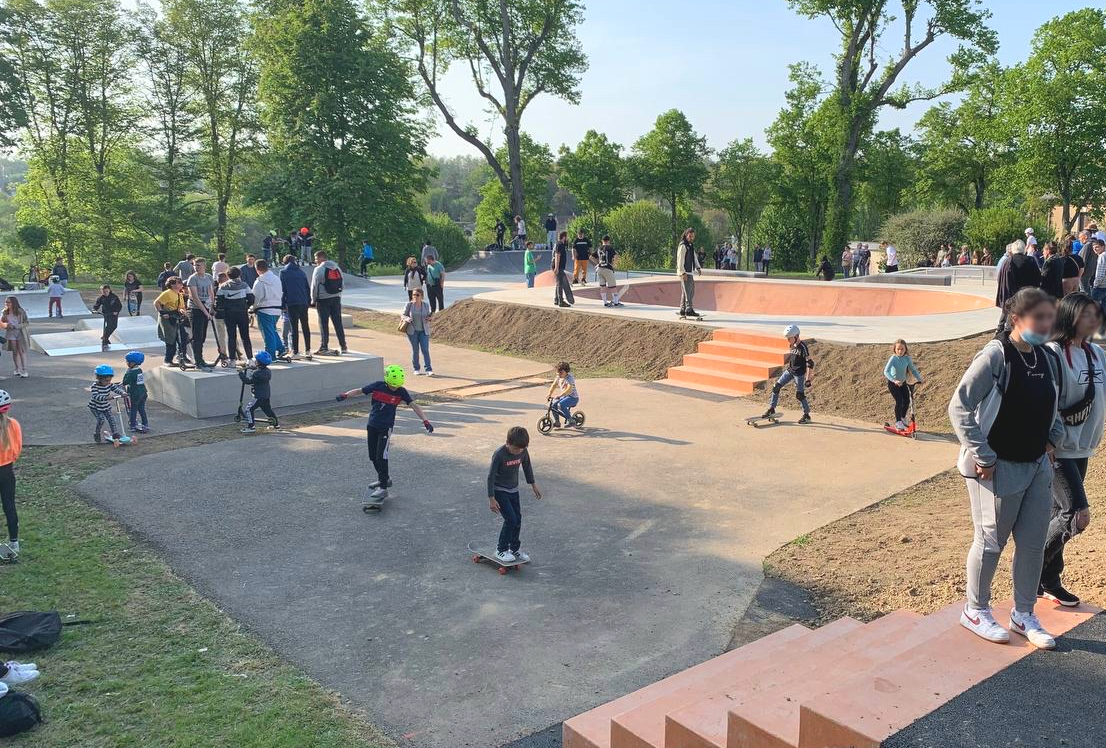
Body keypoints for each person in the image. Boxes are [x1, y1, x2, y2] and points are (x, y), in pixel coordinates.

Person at [949, 287, 1063, 650]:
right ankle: (975, 609)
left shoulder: (1046, 357)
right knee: (990, 541)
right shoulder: (997, 355)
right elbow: (959, 406)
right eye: (1039, 318)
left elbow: (1054, 406)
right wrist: (983, 454)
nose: (1046, 325)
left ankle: (1023, 612)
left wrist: (1052, 440)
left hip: (1036, 466)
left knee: (1031, 544)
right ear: (1017, 319)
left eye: (1050, 318)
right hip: (997, 469)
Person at [1038, 293, 1103, 607]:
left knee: (1057, 513)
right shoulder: (1053, 353)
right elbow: (1043, 399)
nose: (1094, 320)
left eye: (1096, 314)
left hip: (1083, 448)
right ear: (1071, 316)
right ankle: (1030, 570)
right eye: (1087, 314)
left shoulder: (1096, 354)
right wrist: (1047, 439)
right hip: (1059, 450)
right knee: (1076, 515)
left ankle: (1049, 580)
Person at [335, 365, 434, 501]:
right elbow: (359, 391)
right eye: (393, 386)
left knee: (381, 456)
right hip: (372, 425)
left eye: (396, 386)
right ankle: (385, 479)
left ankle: (383, 487)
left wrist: (425, 420)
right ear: (387, 380)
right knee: (372, 456)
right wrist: (345, 395)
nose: (395, 389)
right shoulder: (378, 386)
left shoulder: (401, 391)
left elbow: (414, 405)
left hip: (386, 428)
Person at [486, 426, 543, 564]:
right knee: (511, 519)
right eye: (516, 449)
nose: (518, 452)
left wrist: (533, 484)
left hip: (514, 490)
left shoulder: (522, 450)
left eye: (521, 449)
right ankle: (501, 549)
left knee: (517, 519)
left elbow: (527, 466)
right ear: (507, 442)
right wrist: (491, 498)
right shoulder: (499, 454)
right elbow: (490, 476)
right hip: (500, 491)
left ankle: (514, 549)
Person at [762, 324, 815, 424]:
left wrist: (808, 379)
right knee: (776, 387)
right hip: (790, 370)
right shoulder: (791, 344)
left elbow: (810, 363)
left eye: (789, 338)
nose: (788, 340)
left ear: (796, 336)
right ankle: (772, 409)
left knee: (799, 395)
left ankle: (807, 415)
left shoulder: (803, 347)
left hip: (799, 374)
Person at [994, 239, 1041, 337]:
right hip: (1027, 294)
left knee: (1008, 312)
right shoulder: (1031, 260)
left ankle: (1002, 329)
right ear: (1024, 249)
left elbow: (1002, 278)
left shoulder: (1008, 261)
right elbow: (1037, 278)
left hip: (1011, 293)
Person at [311, 250, 348, 355]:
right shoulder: (337, 268)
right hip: (336, 298)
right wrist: (338, 295)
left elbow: (314, 286)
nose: (315, 260)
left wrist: (313, 300)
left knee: (323, 323)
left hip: (323, 300)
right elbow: (342, 283)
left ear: (321, 258)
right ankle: (343, 346)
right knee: (338, 323)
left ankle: (324, 346)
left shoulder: (318, 269)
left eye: (316, 258)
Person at [216, 266, 254, 363]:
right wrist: (245, 306)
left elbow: (218, 302)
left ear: (228, 276)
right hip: (242, 313)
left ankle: (232, 360)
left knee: (231, 336)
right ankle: (250, 358)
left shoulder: (223, 286)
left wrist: (225, 307)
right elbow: (251, 299)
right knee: (245, 336)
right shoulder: (244, 285)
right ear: (239, 274)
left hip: (229, 314)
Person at [251, 259, 287, 360]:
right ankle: (280, 348)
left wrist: (253, 308)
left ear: (257, 269)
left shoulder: (260, 281)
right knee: (272, 330)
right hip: (277, 309)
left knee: (268, 333)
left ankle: (270, 355)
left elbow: (256, 297)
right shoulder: (276, 278)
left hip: (265, 309)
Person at [884, 339, 923, 432]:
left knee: (907, 400)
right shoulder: (893, 358)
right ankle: (898, 422)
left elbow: (913, 370)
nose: (900, 351)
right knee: (899, 401)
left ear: (905, 349)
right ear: (895, 349)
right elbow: (886, 371)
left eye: (902, 349)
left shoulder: (907, 358)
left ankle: (902, 418)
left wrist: (919, 378)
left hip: (903, 383)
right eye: (898, 349)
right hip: (893, 384)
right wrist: (894, 380)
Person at [0, 391, 21, 560]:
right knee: (9, 506)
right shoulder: (13, 424)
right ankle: (14, 542)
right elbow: (17, 448)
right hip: (7, 469)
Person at [279, 253, 312, 360]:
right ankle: (308, 350)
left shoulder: (283, 272)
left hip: (292, 302)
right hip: (303, 302)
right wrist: (308, 301)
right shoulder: (301, 272)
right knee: (305, 326)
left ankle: (296, 351)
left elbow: (283, 290)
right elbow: (307, 288)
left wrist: (282, 304)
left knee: (294, 327)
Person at [238, 352, 279, 434]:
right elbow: (259, 371)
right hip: (266, 395)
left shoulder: (257, 373)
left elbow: (248, 381)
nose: (255, 361)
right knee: (267, 410)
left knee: (249, 409)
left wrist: (240, 373)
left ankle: (251, 426)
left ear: (259, 362)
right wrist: (253, 368)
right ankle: (276, 424)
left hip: (258, 396)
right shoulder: (267, 371)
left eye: (256, 360)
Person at [185, 257, 216, 368]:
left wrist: (212, 307)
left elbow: (211, 292)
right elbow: (195, 297)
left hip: (206, 306)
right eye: (194, 265)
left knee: (202, 336)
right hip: (195, 309)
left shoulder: (208, 277)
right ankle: (198, 360)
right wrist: (206, 313)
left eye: (198, 265)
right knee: (197, 336)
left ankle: (200, 358)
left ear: (204, 266)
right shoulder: (192, 279)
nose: (196, 267)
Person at [154, 277, 190, 366]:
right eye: (179, 283)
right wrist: (162, 313)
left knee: (183, 337)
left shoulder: (179, 294)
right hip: (168, 318)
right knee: (171, 340)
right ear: (173, 284)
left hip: (176, 317)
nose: (181, 284)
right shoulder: (168, 293)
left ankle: (182, 357)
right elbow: (156, 302)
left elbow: (181, 307)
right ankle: (168, 360)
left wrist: (182, 311)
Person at [89, 364, 128, 444]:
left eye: (109, 380)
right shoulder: (95, 386)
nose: (108, 382)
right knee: (101, 420)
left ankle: (115, 434)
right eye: (106, 381)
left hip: (105, 406)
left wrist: (123, 392)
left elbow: (115, 389)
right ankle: (97, 433)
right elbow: (96, 396)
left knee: (111, 419)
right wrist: (106, 398)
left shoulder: (109, 384)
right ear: (99, 379)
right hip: (95, 407)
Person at [402, 288, 433, 376]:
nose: (415, 296)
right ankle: (416, 368)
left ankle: (429, 369)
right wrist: (407, 318)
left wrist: (429, 318)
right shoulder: (409, 305)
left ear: (422, 296)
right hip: (412, 331)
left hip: (424, 331)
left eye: (417, 295)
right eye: (414, 295)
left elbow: (428, 315)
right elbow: (403, 315)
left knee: (425, 350)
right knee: (415, 350)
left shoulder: (426, 305)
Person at [676, 228, 702, 318]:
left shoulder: (690, 246)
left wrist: (698, 267)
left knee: (686, 291)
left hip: (689, 271)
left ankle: (683, 309)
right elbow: (680, 260)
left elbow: (694, 257)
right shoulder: (683, 245)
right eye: (690, 236)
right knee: (689, 292)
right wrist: (683, 273)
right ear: (686, 235)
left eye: (693, 237)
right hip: (685, 272)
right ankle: (689, 309)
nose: (691, 238)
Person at [122, 351, 150, 434]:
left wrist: (127, 372)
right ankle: (145, 424)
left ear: (133, 363)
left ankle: (133, 425)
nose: (127, 363)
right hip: (143, 392)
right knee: (141, 409)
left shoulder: (131, 372)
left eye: (128, 362)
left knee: (133, 409)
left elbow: (125, 381)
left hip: (135, 393)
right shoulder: (139, 370)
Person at [546, 362, 579, 429]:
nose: (559, 374)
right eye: (558, 372)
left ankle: (571, 420)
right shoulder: (558, 377)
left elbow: (569, 389)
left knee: (561, 404)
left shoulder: (570, 378)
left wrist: (560, 395)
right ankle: (557, 422)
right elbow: (554, 385)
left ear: (566, 372)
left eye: (561, 372)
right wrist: (549, 393)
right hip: (564, 397)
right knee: (553, 405)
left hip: (573, 398)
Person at [1, 297, 28, 379]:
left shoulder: (20, 311)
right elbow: (2, 323)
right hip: (10, 333)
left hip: (20, 333)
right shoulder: (5, 312)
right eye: (6, 302)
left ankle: (24, 370)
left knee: (21, 351)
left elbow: (26, 322)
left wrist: (17, 326)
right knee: (15, 351)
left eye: (9, 302)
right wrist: (6, 325)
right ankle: (17, 369)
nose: (7, 304)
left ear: (14, 303)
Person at [92, 284, 122, 351]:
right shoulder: (101, 298)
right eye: (103, 291)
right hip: (106, 314)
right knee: (108, 326)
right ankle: (105, 340)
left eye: (106, 291)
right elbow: (96, 305)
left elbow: (119, 305)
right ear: (101, 291)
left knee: (114, 326)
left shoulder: (114, 297)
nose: (105, 293)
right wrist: (94, 310)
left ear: (109, 290)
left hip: (114, 313)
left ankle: (105, 337)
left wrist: (117, 311)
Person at [595, 235, 623, 307]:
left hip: (600, 269)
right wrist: (614, 265)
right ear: (609, 241)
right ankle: (616, 303)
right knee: (613, 286)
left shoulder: (599, 248)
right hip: (608, 268)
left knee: (602, 286)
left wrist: (597, 263)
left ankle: (605, 302)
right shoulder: (610, 248)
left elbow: (591, 257)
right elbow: (616, 256)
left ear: (602, 241)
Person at [552, 231, 574, 308]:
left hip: (559, 266)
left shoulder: (558, 244)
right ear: (564, 237)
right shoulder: (560, 244)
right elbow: (557, 255)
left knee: (559, 282)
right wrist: (557, 267)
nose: (567, 239)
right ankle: (561, 301)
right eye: (567, 237)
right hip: (559, 267)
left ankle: (556, 299)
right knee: (560, 284)